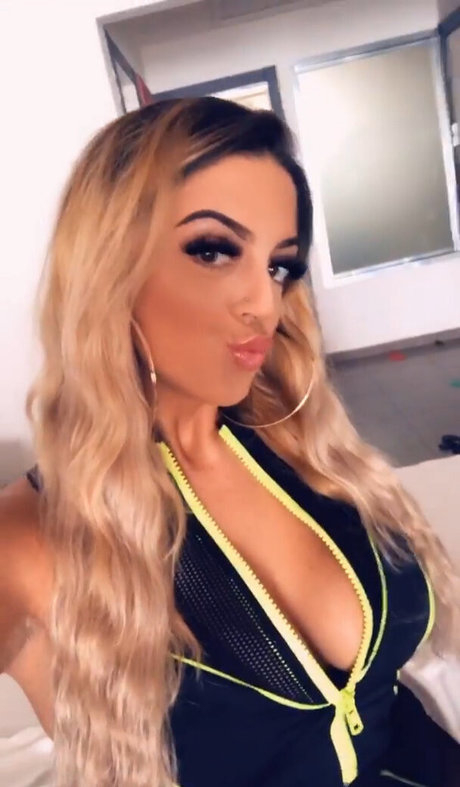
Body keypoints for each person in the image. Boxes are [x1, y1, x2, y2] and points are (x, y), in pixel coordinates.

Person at [0, 97, 458, 787]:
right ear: (107, 266)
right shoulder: (28, 538)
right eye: (213, 250)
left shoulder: (303, 447)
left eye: (280, 265)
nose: (265, 304)